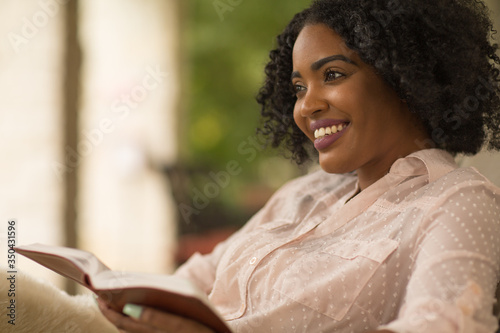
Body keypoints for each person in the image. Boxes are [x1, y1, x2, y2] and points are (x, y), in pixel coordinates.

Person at [98, 0, 500, 331]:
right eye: (298, 88)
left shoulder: (458, 201)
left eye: (333, 74)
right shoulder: (302, 194)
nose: (306, 106)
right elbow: (197, 280)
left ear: (407, 79)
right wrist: (124, 299)